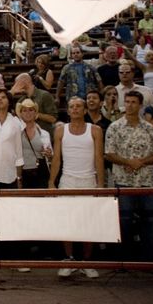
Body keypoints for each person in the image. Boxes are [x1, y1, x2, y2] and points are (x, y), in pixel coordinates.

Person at [48, 97, 105, 278]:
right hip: (67, 181)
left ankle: (87, 262)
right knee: (67, 222)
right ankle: (69, 259)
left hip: (89, 181)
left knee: (88, 223)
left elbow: (99, 159)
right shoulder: (60, 131)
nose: (74, 109)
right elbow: (56, 158)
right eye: (71, 106)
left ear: (85, 110)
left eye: (78, 106)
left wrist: (101, 184)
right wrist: (52, 182)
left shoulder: (95, 130)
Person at [104, 91, 153, 261]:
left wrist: (141, 161)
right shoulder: (115, 127)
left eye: (133, 102)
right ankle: (125, 259)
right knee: (124, 221)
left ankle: (150, 259)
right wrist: (128, 162)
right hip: (123, 180)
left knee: (149, 221)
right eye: (127, 101)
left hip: (146, 181)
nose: (129, 105)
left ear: (140, 105)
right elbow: (108, 153)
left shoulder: (149, 128)